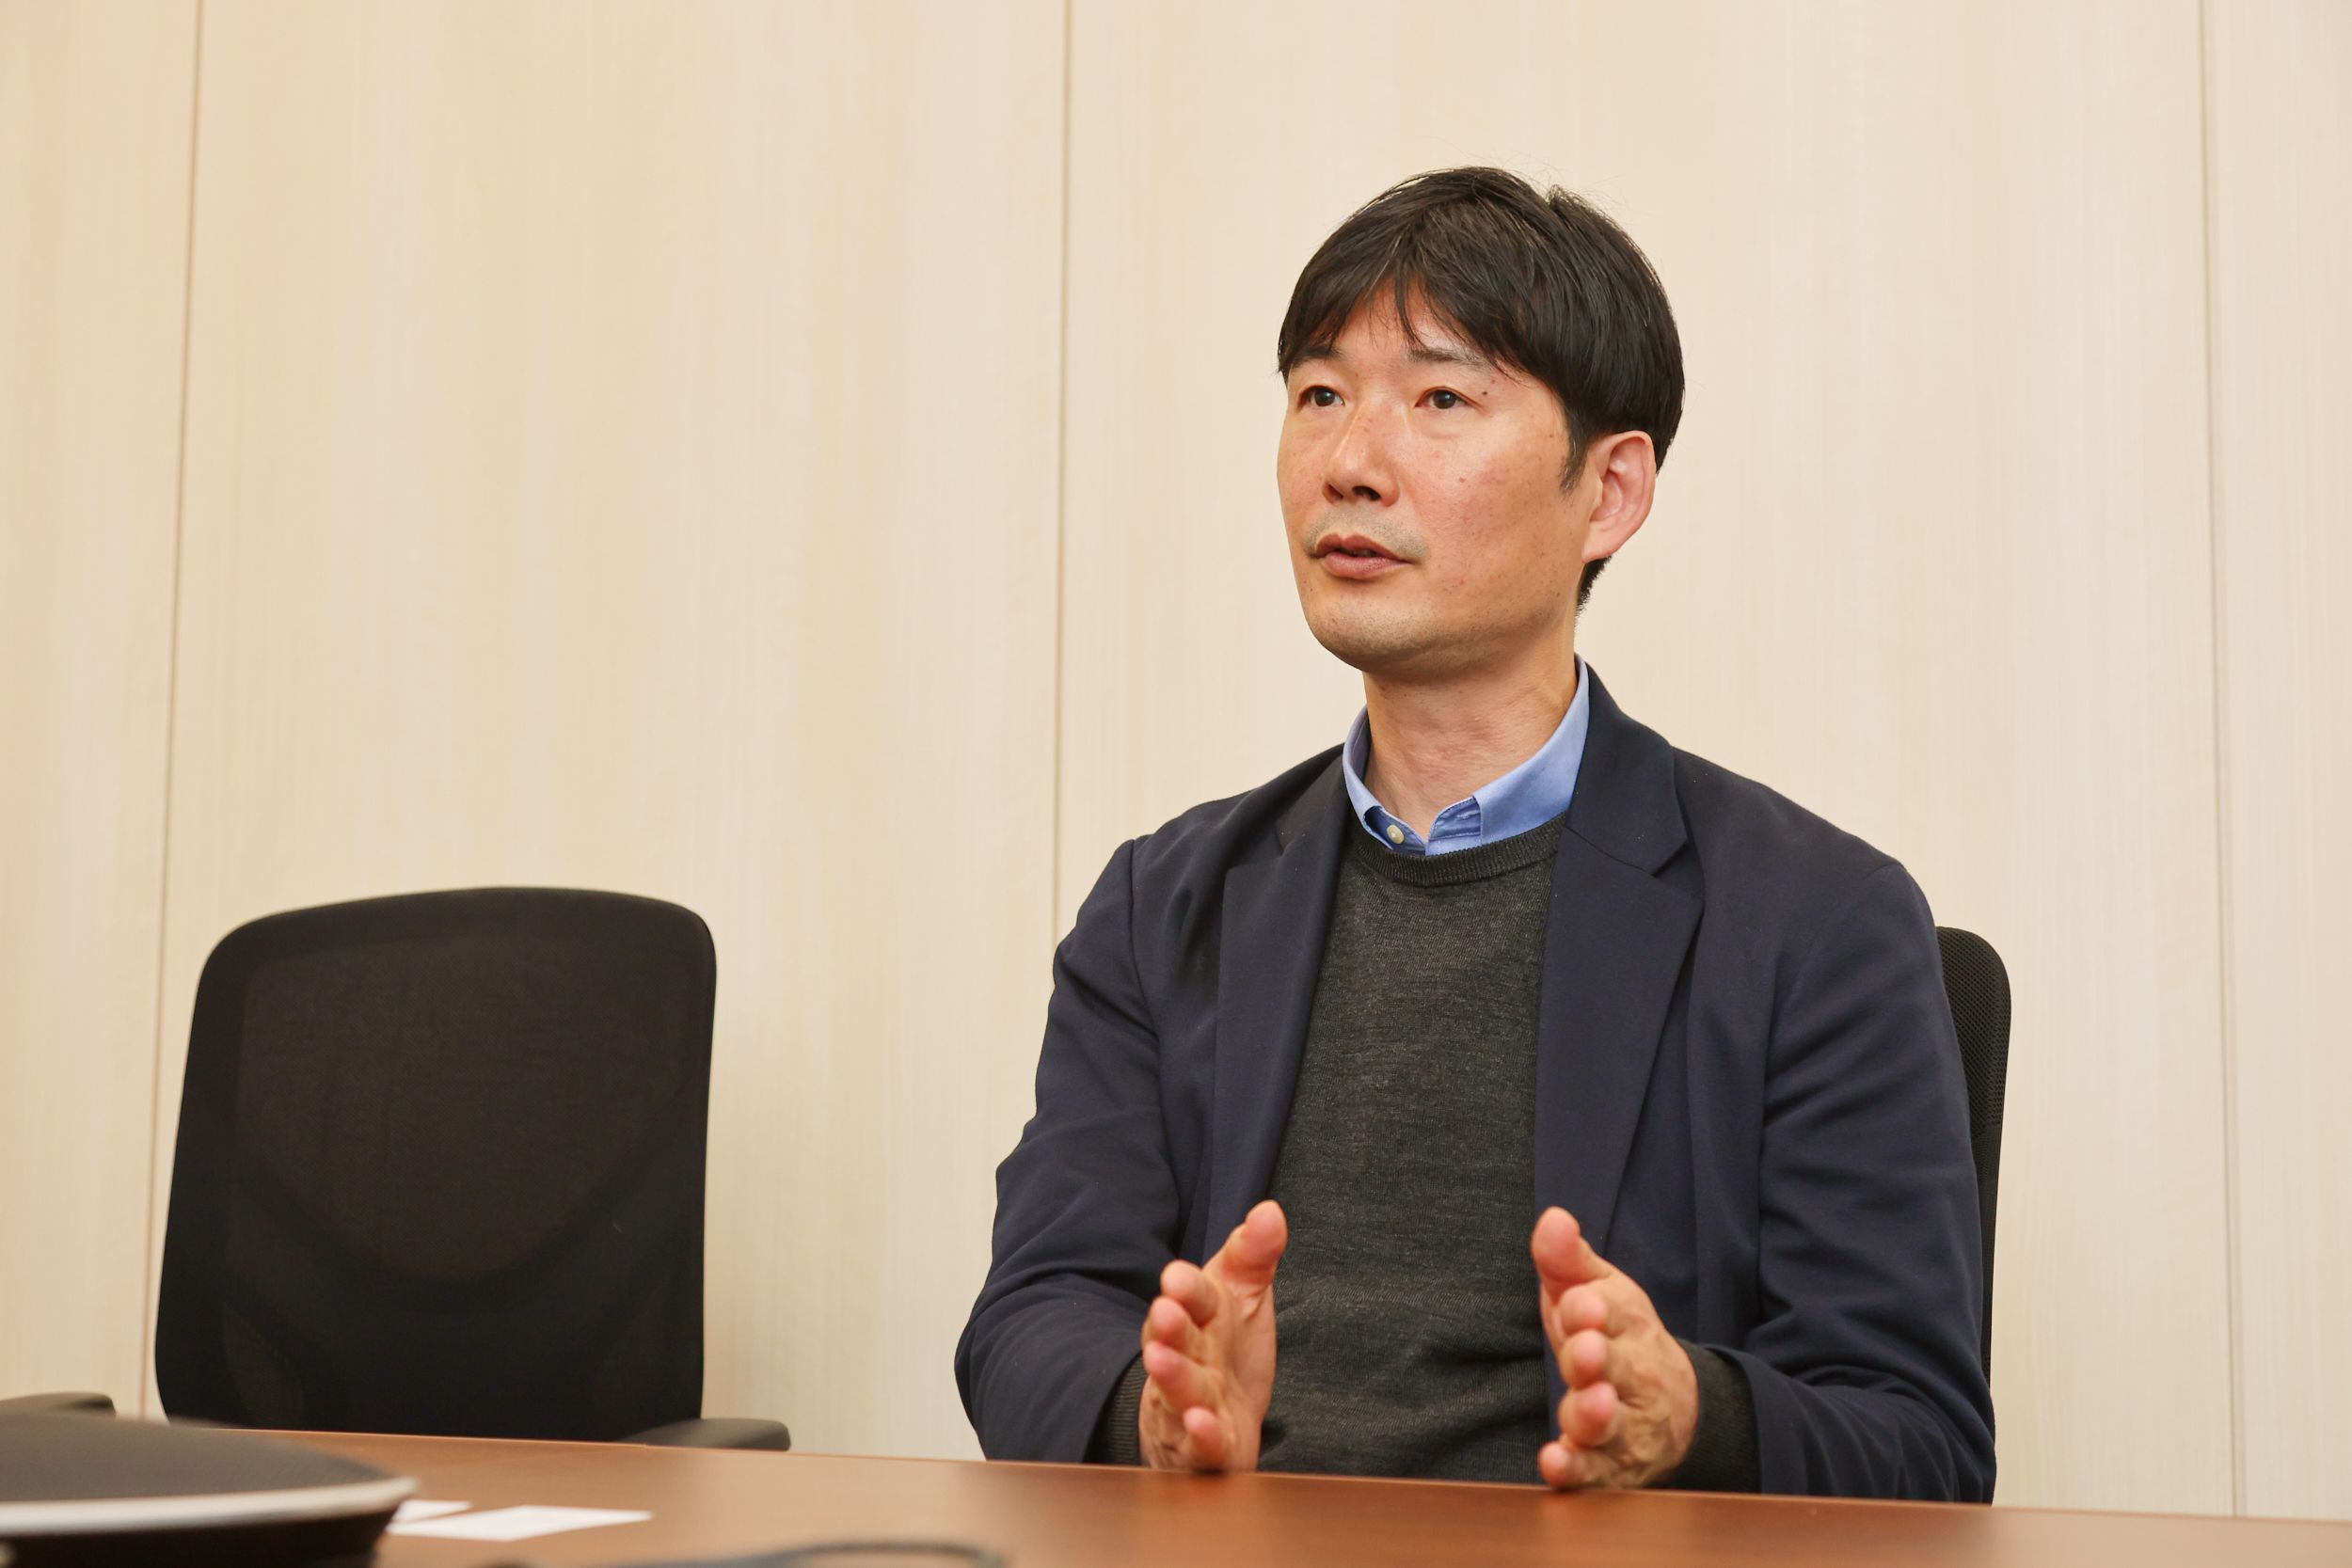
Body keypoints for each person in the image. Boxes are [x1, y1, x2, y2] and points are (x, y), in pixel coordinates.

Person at [955, 167, 1994, 1500]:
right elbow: (1033, 1313)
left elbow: (1918, 1439)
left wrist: (1695, 1414)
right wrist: (1146, 1413)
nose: (1349, 463)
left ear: (1609, 491)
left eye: (1441, 399)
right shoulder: (1167, 905)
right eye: (1319, 395)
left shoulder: (1816, 922)